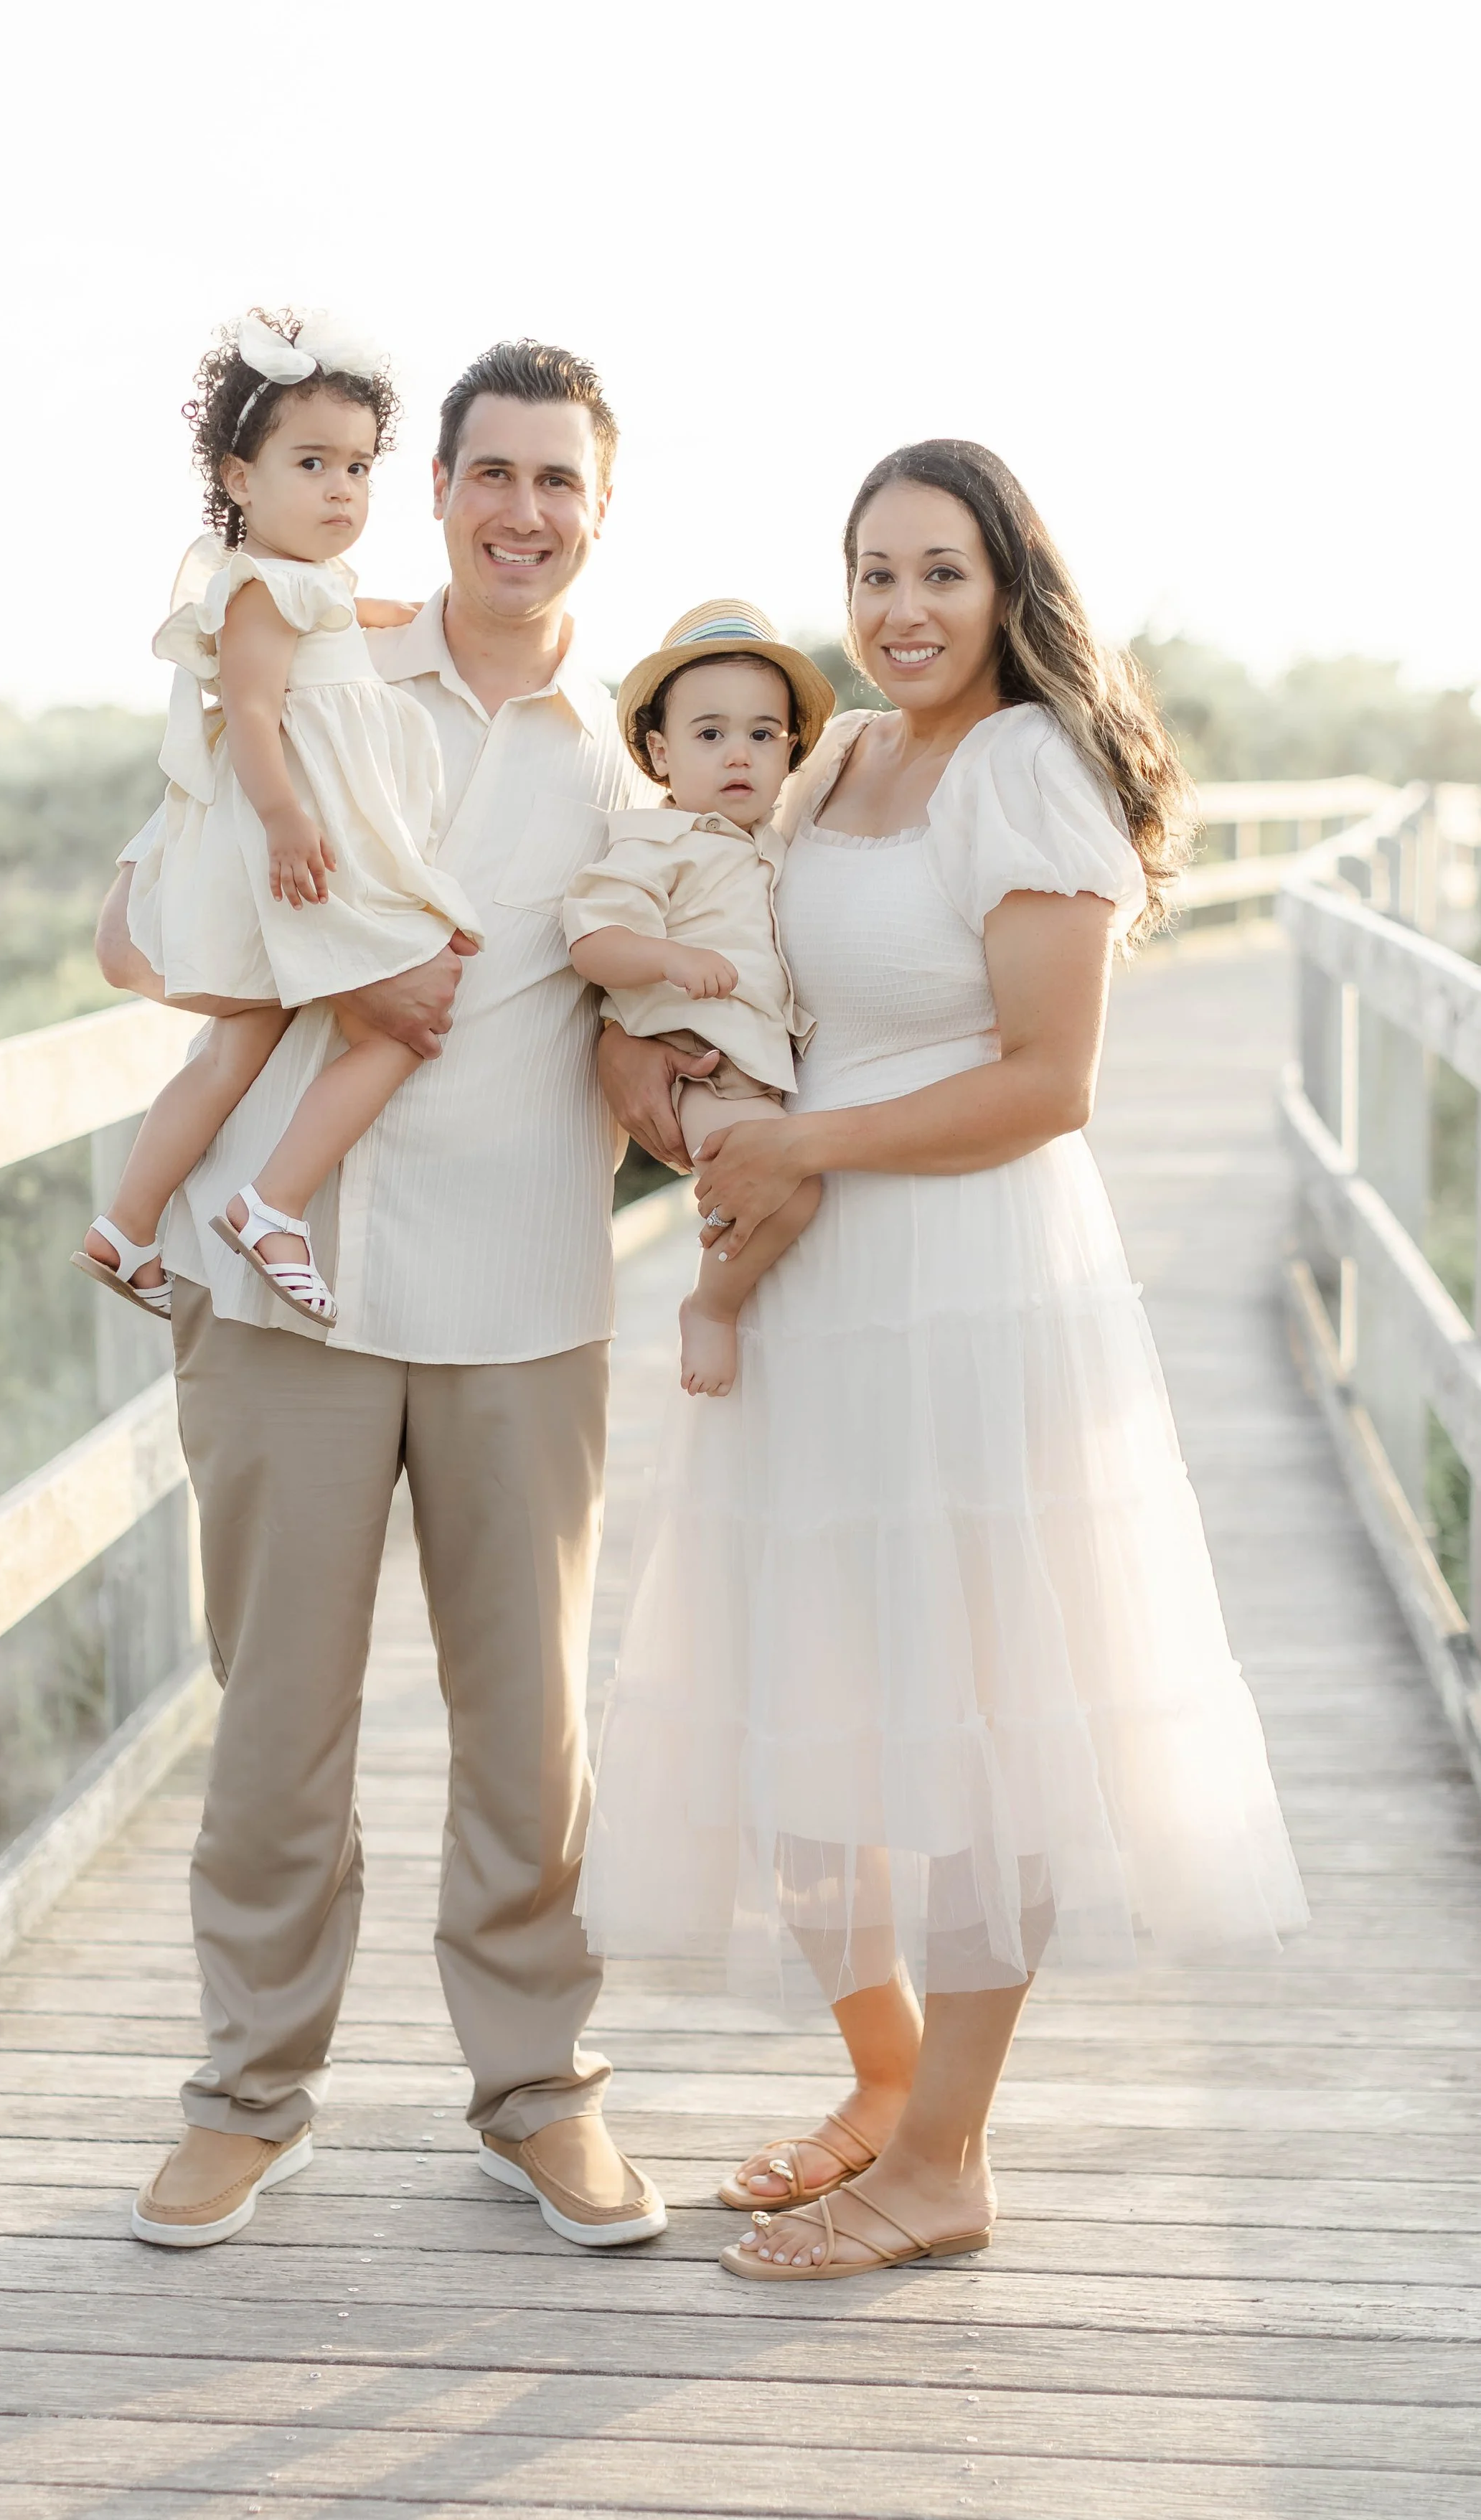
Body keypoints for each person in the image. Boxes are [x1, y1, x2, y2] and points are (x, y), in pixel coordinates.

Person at [580, 439, 1308, 2282]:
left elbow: (1049, 1082)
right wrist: (648, 1067)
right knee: (800, 1682)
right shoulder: (834, 756)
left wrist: (804, 1143)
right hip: (808, 1281)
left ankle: (943, 2161)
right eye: (875, 573)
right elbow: (710, 928)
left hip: (968, 1282)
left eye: (939, 573)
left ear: (1006, 587)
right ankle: (883, 2082)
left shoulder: (1024, 769)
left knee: (987, 1714)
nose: (901, 610)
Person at [97, 340, 674, 2254]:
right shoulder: (314, 661)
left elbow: (661, 1004)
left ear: (601, 509)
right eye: (489, 471)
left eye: (559, 481)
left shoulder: (629, 759)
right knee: (277, 1721)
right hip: (290, 1293)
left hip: (526, 1293)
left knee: (530, 1734)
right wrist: (332, 972)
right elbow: (131, 936)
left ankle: (538, 2096)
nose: (522, 510)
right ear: (434, 489)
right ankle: (247, 2098)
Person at [73, 309, 481, 1330]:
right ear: (240, 478)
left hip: (294, 843)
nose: (342, 489)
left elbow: (336, 618)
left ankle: (126, 1225)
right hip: (296, 844)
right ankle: (273, 1204)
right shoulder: (257, 589)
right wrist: (288, 816)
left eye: (358, 467)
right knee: (408, 1013)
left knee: (239, 1046)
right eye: (312, 463)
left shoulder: (306, 583)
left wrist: (393, 614)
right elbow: (252, 711)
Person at [565, 601, 832, 1395]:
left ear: (790, 750)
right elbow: (592, 940)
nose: (738, 754)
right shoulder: (653, 843)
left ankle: (729, 1303)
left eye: (762, 734)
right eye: (709, 735)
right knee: (790, 1193)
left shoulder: (772, 843)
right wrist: (670, 958)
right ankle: (711, 1307)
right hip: (700, 1065)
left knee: (778, 1189)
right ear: (660, 751)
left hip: (756, 1067)